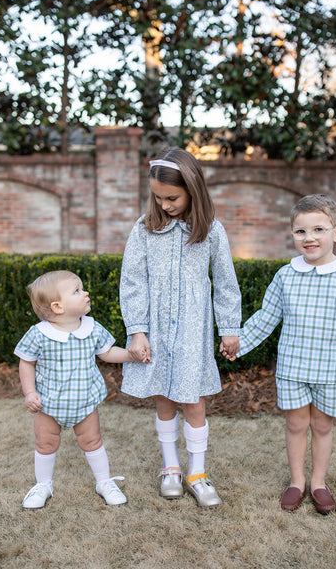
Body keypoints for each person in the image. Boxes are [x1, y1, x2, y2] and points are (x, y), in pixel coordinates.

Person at [223, 194, 336, 514]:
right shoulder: (286, 275)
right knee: (295, 425)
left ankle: (318, 483)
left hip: (331, 370)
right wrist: (239, 342)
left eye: (318, 229)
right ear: (292, 234)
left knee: (321, 426)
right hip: (292, 367)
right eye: (300, 231)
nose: (309, 238)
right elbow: (266, 316)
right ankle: (297, 482)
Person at [120, 147, 241, 508]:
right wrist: (137, 329)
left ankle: (197, 472)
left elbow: (225, 282)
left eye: (171, 197)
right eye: (158, 197)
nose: (165, 204)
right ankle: (170, 465)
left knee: (193, 399)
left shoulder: (211, 231)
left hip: (193, 330)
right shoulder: (144, 229)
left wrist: (230, 328)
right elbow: (133, 281)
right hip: (154, 328)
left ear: (193, 189)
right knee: (163, 396)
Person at [14, 270, 142, 509]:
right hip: (48, 404)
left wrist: (130, 356)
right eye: (77, 291)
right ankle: (43, 485)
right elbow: (26, 362)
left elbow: (106, 353)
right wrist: (30, 392)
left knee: (92, 441)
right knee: (45, 443)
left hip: (84, 401)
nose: (85, 293)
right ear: (58, 306)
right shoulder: (39, 334)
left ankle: (104, 482)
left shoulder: (91, 328)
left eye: (82, 289)